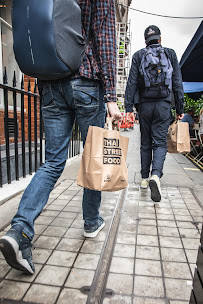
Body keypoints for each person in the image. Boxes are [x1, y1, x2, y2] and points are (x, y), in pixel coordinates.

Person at [0, 0, 122, 275]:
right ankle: (91, 222)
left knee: (53, 162)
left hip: (51, 83)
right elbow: (104, 38)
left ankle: (20, 229)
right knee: (93, 159)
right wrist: (112, 96)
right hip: (86, 82)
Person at [125, 25, 184, 202]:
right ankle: (156, 175)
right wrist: (180, 108)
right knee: (159, 143)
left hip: (145, 106)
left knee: (145, 142)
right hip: (164, 105)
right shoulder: (170, 54)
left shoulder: (138, 55)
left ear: (145, 41)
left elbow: (132, 82)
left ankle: (144, 179)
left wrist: (128, 108)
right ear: (160, 39)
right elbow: (177, 82)